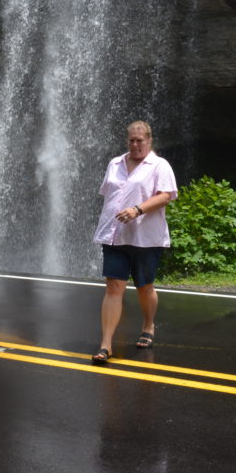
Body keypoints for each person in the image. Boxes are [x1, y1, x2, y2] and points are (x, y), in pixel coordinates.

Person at [91, 120, 178, 364]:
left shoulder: (159, 165)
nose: (136, 144)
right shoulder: (115, 163)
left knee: (144, 286)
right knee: (113, 287)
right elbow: (111, 196)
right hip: (115, 235)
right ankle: (105, 345)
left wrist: (137, 210)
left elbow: (165, 196)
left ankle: (148, 326)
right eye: (132, 140)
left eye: (140, 140)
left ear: (149, 141)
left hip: (145, 238)